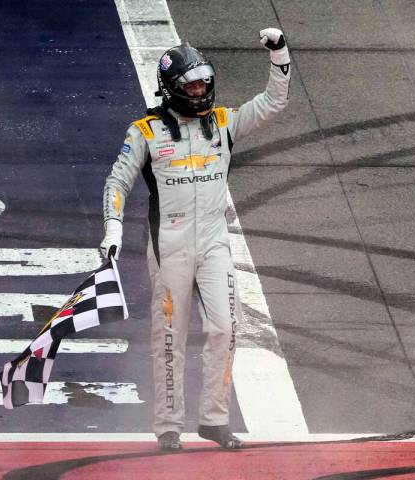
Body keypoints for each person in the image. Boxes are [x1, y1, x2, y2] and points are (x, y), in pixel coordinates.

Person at [99, 28, 290, 451]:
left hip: (214, 242)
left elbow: (275, 101)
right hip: (170, 249)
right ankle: (168, 425)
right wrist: (112, 227)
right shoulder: (145, 131)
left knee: (226, 328)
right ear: (172, 89)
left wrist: (279, 54)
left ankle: (214, 420)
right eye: (192, 85)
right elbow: (117, 180)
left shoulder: (224, 122)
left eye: (204, 82)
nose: (200, 90)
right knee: (170, 336)